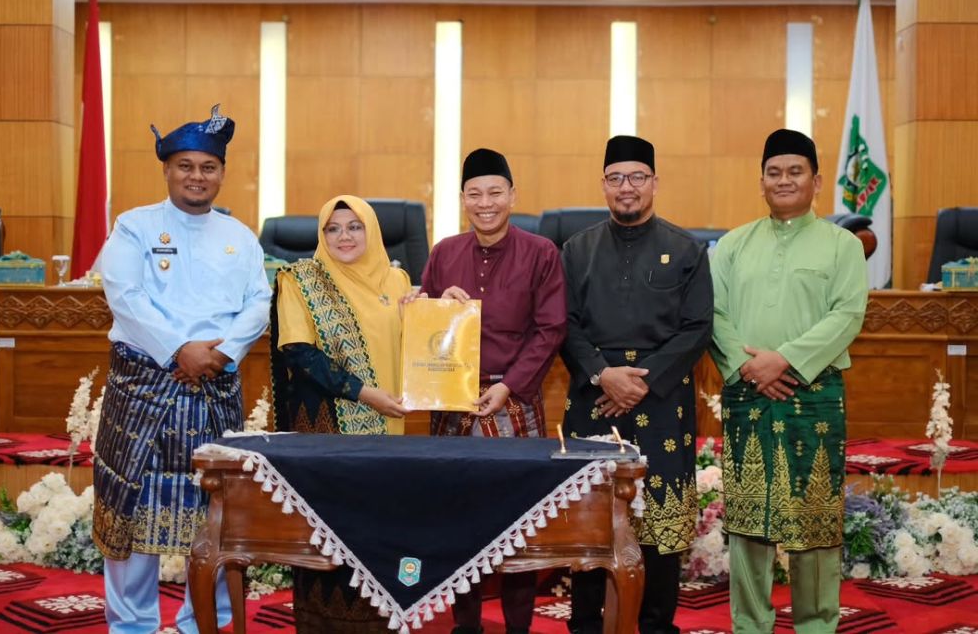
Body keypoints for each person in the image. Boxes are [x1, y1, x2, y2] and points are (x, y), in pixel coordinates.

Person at [93, 105, 272, 633]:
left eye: (208, 167)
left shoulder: (239, 235)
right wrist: (180, 349)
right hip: (144, 387)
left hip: (214, 387)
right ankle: (131, 626)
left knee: (215, 513)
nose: (197, 176)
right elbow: (124, 295)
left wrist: (222, 353)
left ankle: (203, 624)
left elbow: (259, 302)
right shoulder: (135, 226)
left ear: (221, 172)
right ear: (167, 170)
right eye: (186, 166)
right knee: (130, 507)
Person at [709, 128, 867, 634]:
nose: (784, 180)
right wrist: (749, 366)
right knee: (749, 520)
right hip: (746, 391)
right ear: (761, 182)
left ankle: (817, 623)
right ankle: (750, 623)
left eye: (795, 171)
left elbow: (848, 314)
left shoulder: (843, 245)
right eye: (774, 173)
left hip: (813, 393)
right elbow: (711, 313)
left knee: (814, 519)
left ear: (816, 181)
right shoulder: (732, 245)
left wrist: (788, 362)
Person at [561, 135, 713, 634]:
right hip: (594, 398)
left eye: (637, 178)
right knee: (590, 520)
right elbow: (564, 324)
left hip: (662, 400)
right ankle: (585, 625)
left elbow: (697, 328)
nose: (627, 188)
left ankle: (654, 625)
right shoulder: (575, 250)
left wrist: (642, 383)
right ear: (603, 184)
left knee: (661, 525)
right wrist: (604, 373)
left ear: (654, 183)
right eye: (616, 178)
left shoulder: (686, 249)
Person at [419, 148, 567, 634]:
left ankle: (518, 627)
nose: (486, 203)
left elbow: (550, 329)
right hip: (453, 404)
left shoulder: (542, 253)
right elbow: (424, 323)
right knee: (458, 521)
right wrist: (433, 304)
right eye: (475, 194)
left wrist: (509, 385)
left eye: (495, 193)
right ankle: (466, 626)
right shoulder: (443, 253)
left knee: (518, 525)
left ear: (512, 195)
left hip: (514, 401)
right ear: (462, 198)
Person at [271, 194, 411, 632]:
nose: (344, 236)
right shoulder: (301, 279)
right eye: (333, 228)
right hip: (328, 428)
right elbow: (300, 354)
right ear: (321, 235)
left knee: (381, 529)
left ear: (372, 230)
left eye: (355, 226)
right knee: (329, 536)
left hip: (390, 425)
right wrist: (364, 393)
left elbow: (424, 347)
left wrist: (442, 312)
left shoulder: (399, 281)